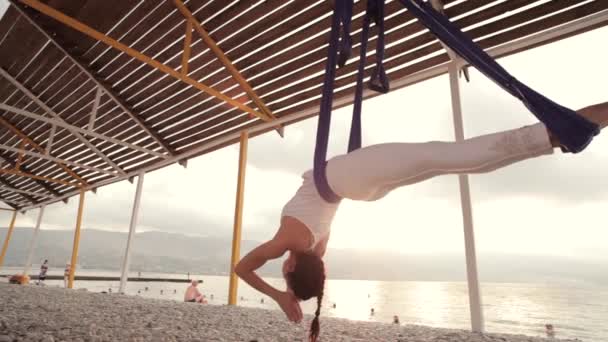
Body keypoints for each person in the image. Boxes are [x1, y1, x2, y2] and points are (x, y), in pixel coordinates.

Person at [235, 102, 608, 342]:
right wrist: (282, 295)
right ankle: (558, 132)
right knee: (447, 156)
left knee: (448, 161)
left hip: (359, 190)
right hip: (348, 180)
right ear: (292, 266)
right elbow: (243, 268)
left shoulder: (316, 245)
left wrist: (290, 295)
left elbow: (298, 271)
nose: (280, 270)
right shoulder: (292, 242)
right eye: (285, 274)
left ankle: (554, 137)